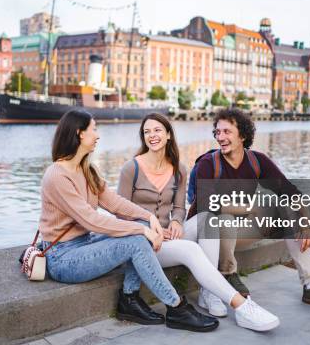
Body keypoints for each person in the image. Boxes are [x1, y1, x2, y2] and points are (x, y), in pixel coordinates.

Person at [38, 109, 218, 332]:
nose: (97, 135)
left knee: (140, 228)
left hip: (85, 243)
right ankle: (176, 307)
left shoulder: (86, 170)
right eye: (94, 129)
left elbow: (114, 202)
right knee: (136, 238)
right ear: (79, 134)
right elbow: (91, 220)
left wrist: (148, 217)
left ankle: (129, 298)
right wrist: (141, 230)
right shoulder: (57, 175)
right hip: (63, 258)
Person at [117, 113, 280, 332]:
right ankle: (242, 307)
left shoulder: (179, 170)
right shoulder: (131, 168)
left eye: (157, 130)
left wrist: (176, 221)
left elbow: (179, 208)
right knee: (192, 249)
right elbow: (120, 213)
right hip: (145, 243)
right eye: (147, 132)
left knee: (208, 218)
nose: (152, 135)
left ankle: (208, 294)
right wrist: (149, 229)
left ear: (167, 135)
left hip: (171, 236)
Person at [188, 108, 310, 310]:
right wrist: (251, 208)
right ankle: (228, 274)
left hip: (243, 231)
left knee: (286, 209)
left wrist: (306, 222)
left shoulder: (257, 161)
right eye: (217, 132)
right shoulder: (208, 164)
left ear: (243, 135)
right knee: (224, 218)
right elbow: (207, 204)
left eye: (227, 132)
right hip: (212, 236)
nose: (220, 137)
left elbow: (290, 191)